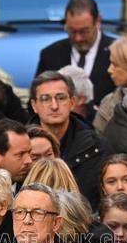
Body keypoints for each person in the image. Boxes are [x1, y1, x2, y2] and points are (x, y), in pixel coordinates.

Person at [29, 70, 111, 207]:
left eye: (61, 98)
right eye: (45, 99)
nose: (54, 106)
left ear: (72, 102)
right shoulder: (21, 147)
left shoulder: (97, 146)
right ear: (34, 106)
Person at [34, 0, 116, 106]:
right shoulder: (50, 55)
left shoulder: (116, 53)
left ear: (98, 21)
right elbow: (36, 99)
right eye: (71, 31)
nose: (78, 38)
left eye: (84, 31)